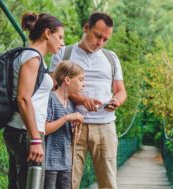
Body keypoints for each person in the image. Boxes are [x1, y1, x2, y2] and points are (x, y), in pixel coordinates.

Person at [50, 12, 127, 189]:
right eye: (97, 36)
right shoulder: (63, 54)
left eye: (105, 39)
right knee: (68, 182)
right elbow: (53, 89)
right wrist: (83, 100)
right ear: (86, 28)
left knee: (108, 183)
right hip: (71, 126)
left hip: (105, 127)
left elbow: (121, 91)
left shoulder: (111, 58)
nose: (100, 43)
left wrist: (116, 101)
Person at [3, 12, 64, 189]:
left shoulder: (34, 58)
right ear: (47, 33)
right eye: (59, 37)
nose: (61, 42)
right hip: (27, 132)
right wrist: (36, 140)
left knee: (19, 184)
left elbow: (45, 88)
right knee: (31, 184)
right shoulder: (32, 57)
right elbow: (23, 98)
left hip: (21, 131)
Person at [44, 61, 85, 189]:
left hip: (66, 163)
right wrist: (67, 118)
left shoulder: (71, 104)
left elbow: (70, 138)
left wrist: (75, 128)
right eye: (81, 80)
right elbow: (44, 129)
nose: (84, 84)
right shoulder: (50, 99)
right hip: (49, 164)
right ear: (67, 80)